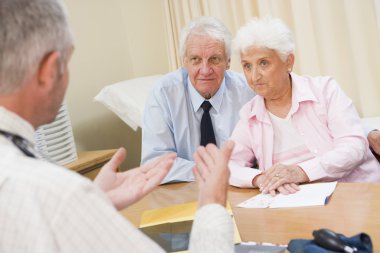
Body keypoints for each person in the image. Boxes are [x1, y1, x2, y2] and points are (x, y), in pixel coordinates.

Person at [0, 0, 235, 252]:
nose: (205, 69)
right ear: (49, 70)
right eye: (68, 62)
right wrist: (211, 205)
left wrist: (93, 204)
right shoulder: (56, 195)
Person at [228, 17, 380, 195]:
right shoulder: (250, 114)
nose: (254, 76)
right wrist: (261, 178)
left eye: (263, 63)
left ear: (288, 61)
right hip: (295, 206)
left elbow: (353, 147)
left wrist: (300, 172)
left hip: (355, 194)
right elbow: (229, 165)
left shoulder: (325, 90)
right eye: (247, 66)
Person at [141, 16, 254, 183]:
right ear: (184, 62)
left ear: (228, 62)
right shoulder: (164, 93)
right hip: (185, 192)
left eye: (214, 59)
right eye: (195, 60)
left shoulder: (249, 91)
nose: (205, 70)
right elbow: (155, 163)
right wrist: (214, 173)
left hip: (241, 185)